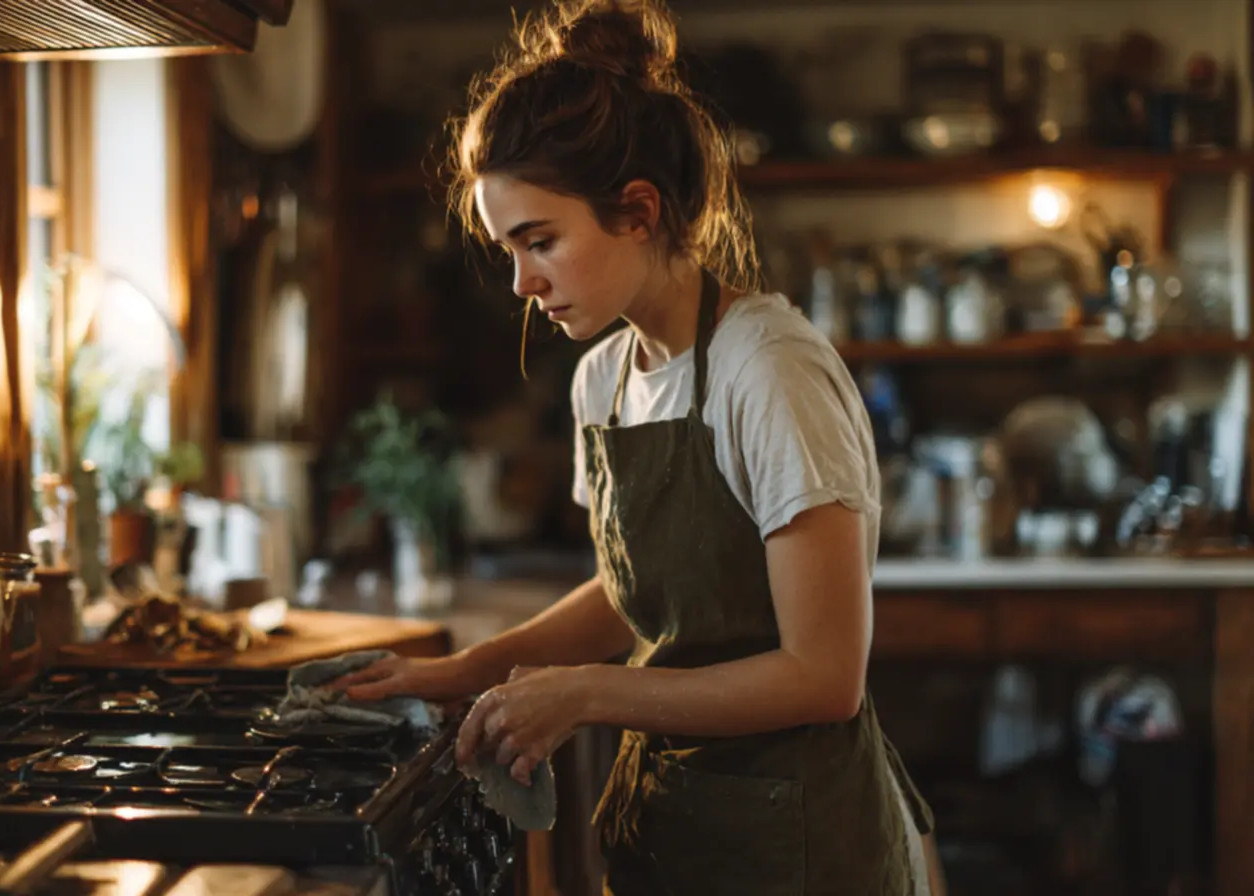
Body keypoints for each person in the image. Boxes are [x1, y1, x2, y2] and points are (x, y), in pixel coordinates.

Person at [333, 1, 945, 893]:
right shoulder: (604, 379)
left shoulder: (766, 374)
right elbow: (633, 599)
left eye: (540, 241)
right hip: (681, 828)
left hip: (804, 844)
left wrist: (583, 692)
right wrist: (463, 671)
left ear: (638, 211)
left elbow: (824, 677)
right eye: (509, 249)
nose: (521, 282)